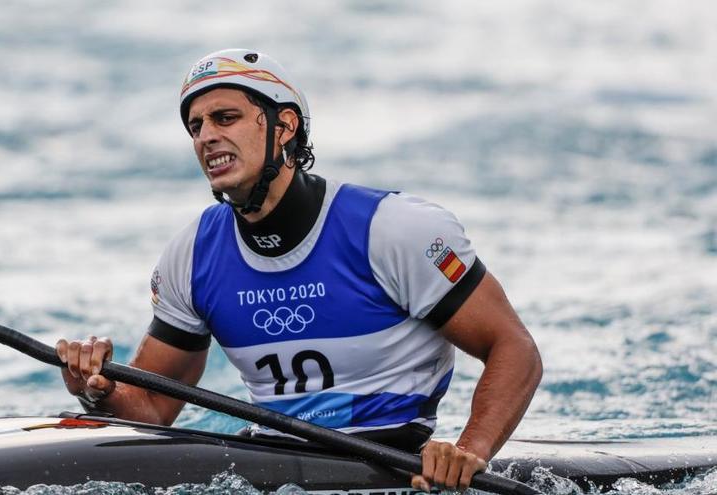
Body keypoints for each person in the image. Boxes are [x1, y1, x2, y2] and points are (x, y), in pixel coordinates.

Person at [56, 48, 542, 492]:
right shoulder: (191, 254)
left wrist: (468, 452)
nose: (206, 137)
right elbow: (152, 409)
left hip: (392, 464)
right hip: (270, 463)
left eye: (225, 118)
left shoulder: (392, 230)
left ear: (284, 126)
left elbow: (514, 348)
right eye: (196, 126)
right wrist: (98, 392)